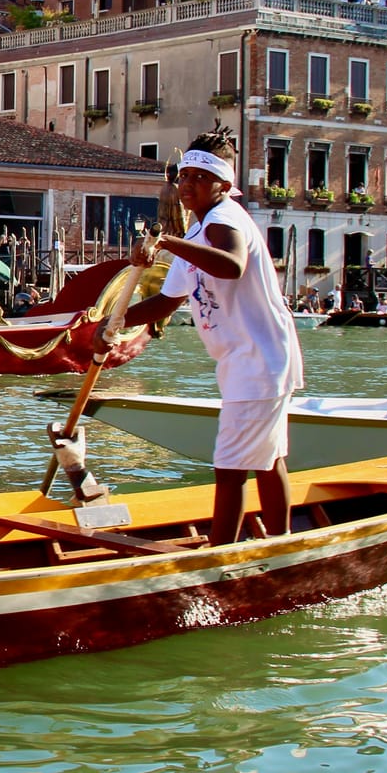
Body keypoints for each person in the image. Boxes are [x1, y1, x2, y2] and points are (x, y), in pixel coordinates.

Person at [120, 129, 304, 546]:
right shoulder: (196, 235)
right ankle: (281, 542)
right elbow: (166, 302)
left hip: (259, 360)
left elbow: (232, 265)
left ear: (223, 184)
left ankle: (222, 555)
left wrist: (165, 241)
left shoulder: (225, 218)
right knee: (267, 459)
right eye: (184, 176)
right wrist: (110, 324)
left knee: (231, 466)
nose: (187, 185)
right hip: (246, 361)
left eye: (200, 178)